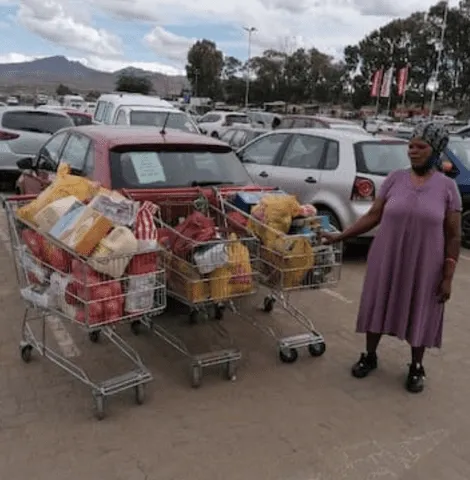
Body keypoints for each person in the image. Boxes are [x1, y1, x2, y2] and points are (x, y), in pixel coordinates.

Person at [323, 121, 461, 393]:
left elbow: (454, 236)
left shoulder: (447, 188)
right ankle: (370, 356)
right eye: (410, 146)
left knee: (421, 308)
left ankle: (416, 367)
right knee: (378, 302)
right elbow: (374, 215)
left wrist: (448, 276)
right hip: (386, 258)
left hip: (426, 265)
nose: (413, 151)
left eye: (420, 146)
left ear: (436, 150)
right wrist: (342, 236)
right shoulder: (394, 179)